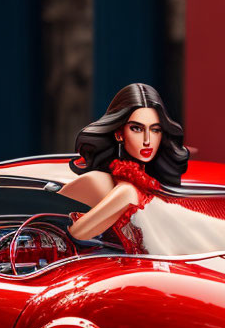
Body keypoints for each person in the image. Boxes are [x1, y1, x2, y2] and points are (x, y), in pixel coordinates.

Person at [60, 83, 189, 251]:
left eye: (155, 130)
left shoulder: (151, 184)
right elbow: (72, 237)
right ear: (119, 133)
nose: (147, 140)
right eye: (137, 128)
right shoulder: (117, 188)